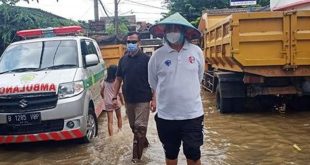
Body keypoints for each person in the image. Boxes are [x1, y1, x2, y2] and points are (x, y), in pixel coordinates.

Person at [148, 12, 205, 165]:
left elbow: (198, 78)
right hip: (166, 116)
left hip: (192, 115)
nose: (172, 32)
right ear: (164, 33)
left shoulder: (197, 52)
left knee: (193, 154)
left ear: (184, 32)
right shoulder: (157, 56)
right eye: (169, 29)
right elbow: (153, 83)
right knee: (171, 153)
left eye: (176, 29)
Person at [112, 32, 152, 163]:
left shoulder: (147, 60)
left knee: (140, 128)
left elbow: (154, 80)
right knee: (133, 127)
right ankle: (144, 143)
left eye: (133, 42)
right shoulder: (123, 60)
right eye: (128, 42)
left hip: (143, 99)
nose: (131, 44)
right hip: (129, 99)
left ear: (139, 43)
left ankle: (136, 159)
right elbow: (118, 79)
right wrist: (114, 97)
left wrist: (155, 99)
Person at [100, 65, 124, 136]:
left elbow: (101, 92)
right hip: (116, 102)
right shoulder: (117, 82)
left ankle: (111, 136)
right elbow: (120, 93)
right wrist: (123, 102)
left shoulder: (104, 82)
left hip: (108, 102)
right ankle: (120, 131)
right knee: (119, 117)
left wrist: (104, 98)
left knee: (110, 121)